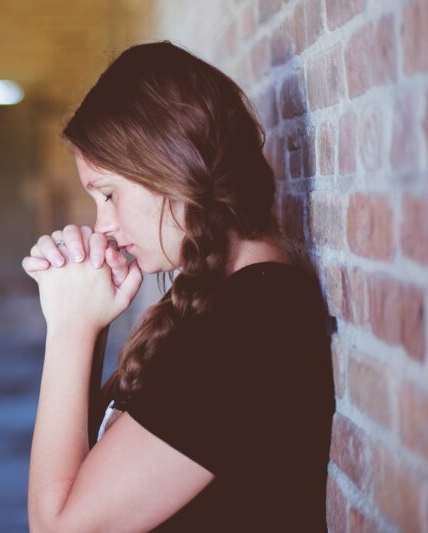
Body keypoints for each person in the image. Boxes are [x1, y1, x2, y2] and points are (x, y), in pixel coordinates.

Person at [21, 41, 335, 532]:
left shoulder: (253, 326)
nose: (101, 225)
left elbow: (61, 528)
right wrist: (93, 322)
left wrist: (69, 330)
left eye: (108, 194)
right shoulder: (221, 300)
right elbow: (88, 476)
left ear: (172, 168)